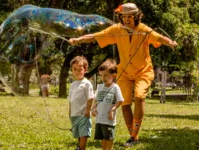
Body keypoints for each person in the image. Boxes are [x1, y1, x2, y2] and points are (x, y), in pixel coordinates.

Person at [69, 3, 178, 147]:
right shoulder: (117, 30)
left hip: (143, 71)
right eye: (124, 17)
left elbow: (158, 38)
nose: (126, 20)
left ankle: (134, 134)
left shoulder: (143, 30)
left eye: (130, 17)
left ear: (136, 16)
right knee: (125, 104)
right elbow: (96, 36)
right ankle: (134, 136)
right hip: (125, 72)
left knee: (139, 97)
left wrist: (170, 42)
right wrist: (79, 39)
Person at [92, 59, 124, 150]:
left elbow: (120, 100)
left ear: (113, 75)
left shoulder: (115, 87)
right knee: (102, 137)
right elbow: (96, 99)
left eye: (105, 75)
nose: (103, 78)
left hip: (109, 119)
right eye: (101, 75)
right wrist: (94, 108)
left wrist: (113, 109)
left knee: (109, 137)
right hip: (99, 118)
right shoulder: (99, 87)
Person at [68, 56, 94, 150]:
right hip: (74, 114)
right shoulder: (72, 84)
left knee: (83, 132)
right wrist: (70, 111)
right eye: (75, 69)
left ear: (85, 70)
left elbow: (90, 98)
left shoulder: (87, 83)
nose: (77, 71)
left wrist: (88, 110)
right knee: (78, 132)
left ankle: (82, 148)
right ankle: (80, 146)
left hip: (83, 114)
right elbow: (70, 99)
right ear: (72, 70)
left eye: (80, 69)